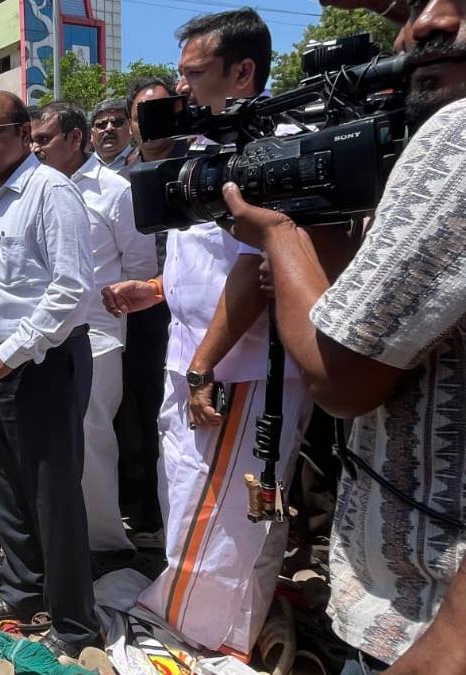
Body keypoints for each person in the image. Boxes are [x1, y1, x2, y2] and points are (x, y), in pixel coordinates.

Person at [219, 1, 466, 673]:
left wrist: (279, 235)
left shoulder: (456, 133)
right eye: (413, 3)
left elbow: (340, 375)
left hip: (420, 619)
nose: (427, 23)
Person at [102, 9, 313, 657]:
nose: (181, 87)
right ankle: (210, 627)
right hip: (194, 358)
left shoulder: (277, 144)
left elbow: (254, 269)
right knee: (189, 497)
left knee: (222, 516)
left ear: (242, 72)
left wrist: (204, 367)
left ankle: (208, 643)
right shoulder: (205, 144)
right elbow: (206, 261)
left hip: (239, 369)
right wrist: (156, 290)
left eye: (193, 73)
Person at [0, 90, 100, 663]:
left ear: (24, 131)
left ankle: (75, 623)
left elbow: (70, 291)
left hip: (40, 363)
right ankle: (22, 592)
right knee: (8, 488)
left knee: (51, 495)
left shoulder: (50, 191)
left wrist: (7, 355)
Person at [30, 102, 158, 565]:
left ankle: (103, 546)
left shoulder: (116, 191)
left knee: (91, 438)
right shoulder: (34, 189)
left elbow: (141, 267)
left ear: (74, 139)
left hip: (98, 335)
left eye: (44, 139)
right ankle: (58, 540)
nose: (35, 148)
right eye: (33, 140)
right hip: (40, 335)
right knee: (49, 442)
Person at [113, 75, 183, 546]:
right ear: (131, 122)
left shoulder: (199, 164)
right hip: (135, 312)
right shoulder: (119, 178)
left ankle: (177, 511)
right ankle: (142, 511)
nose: (152, 122)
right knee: (135, 409)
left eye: (163, 110)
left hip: (185, 310)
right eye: (143, 113)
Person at [89, 98, 133, 177]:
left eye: (117, 122)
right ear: (92, 134)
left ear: (130, 127)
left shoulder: (144, 160)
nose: (109, 128)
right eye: (102, 124)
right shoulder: (80, 168)